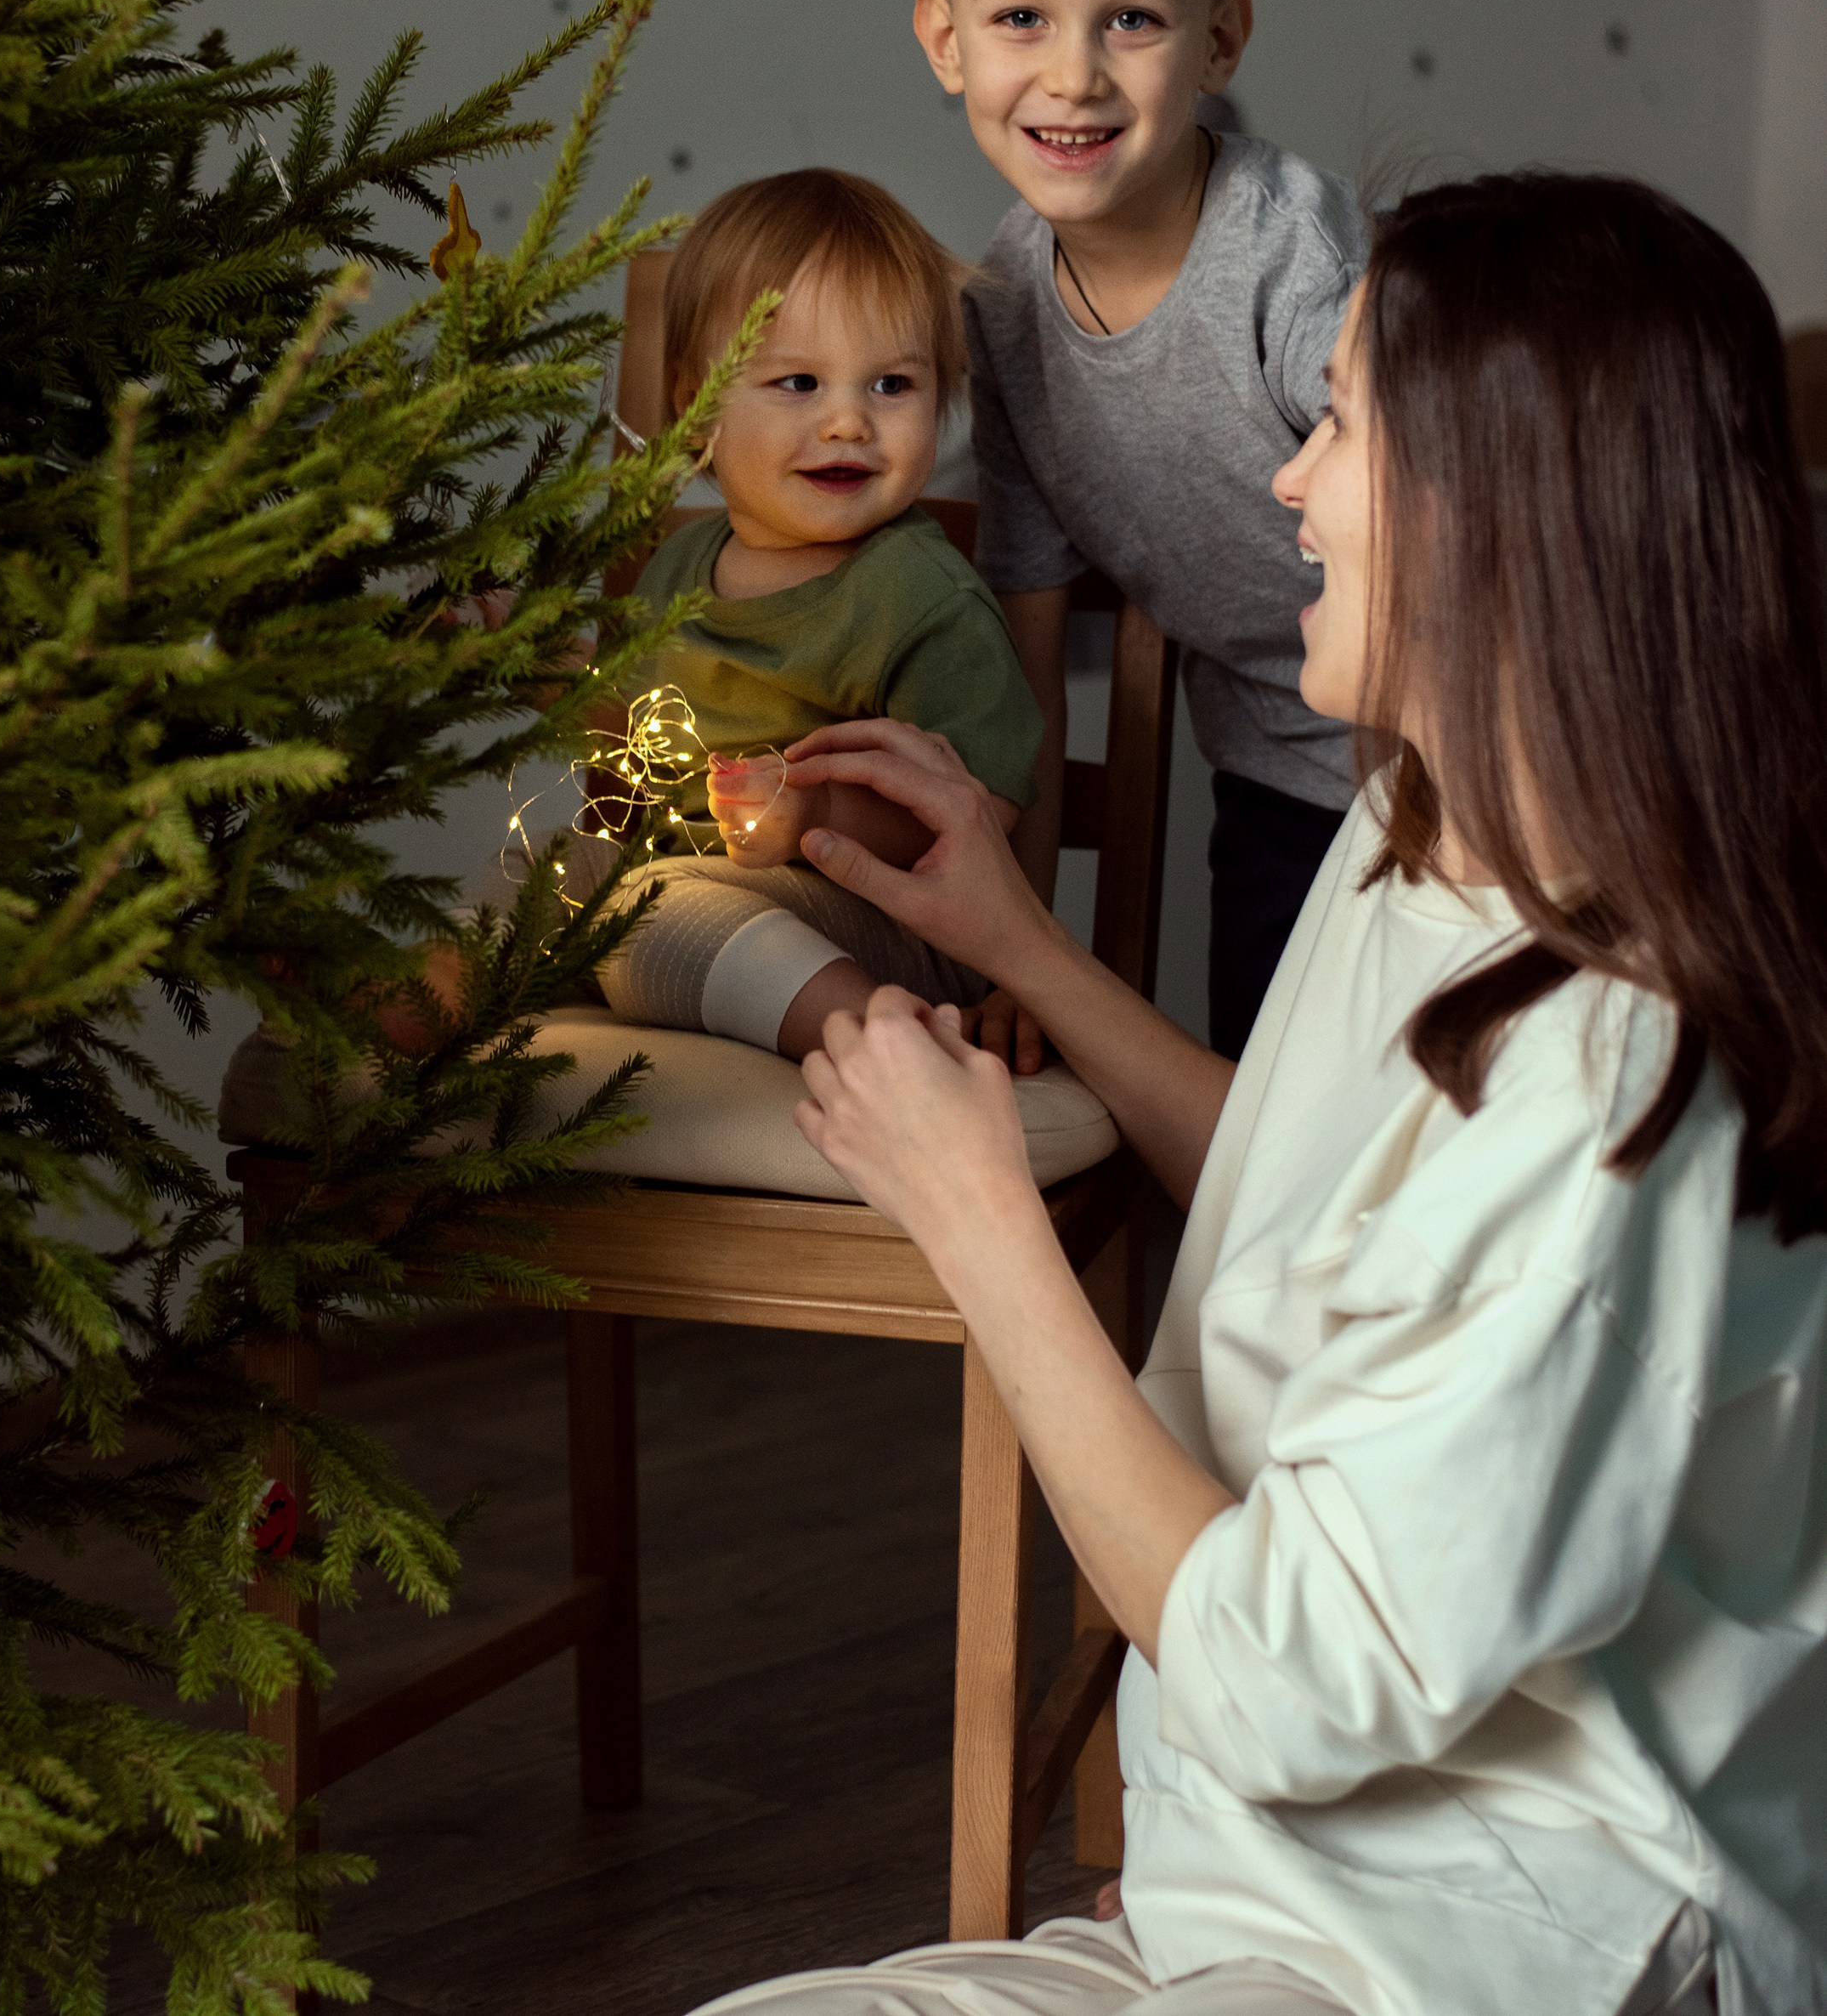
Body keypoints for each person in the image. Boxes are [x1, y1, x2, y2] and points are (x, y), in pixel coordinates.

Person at [698, 173, 1827, 2016]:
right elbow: (1331, 1217)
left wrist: (982, 1229)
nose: (1287, 482)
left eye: (1339, 423)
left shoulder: (1620, 1076)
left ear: (1501, 512)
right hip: (1261, 1897)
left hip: (1509, 1940)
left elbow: (1286, 1678)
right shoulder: (1424, 822)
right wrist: (1034, 950)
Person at [914, 0, 1367, 1065]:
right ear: (946, 40)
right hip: (1278, 781)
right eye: (1020, 20)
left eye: (1133, 21)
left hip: (1460, 785)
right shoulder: (1006, 310)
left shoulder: (1295, 265)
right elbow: (1028, 675)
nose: (1074, 78)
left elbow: (1456, 568)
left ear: (1220, 39)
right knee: (1258, 1165)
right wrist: (1025, 955)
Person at [594, 167, 1044, 1062]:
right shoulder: (677, 567)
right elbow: (617, 749)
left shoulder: (917, 595)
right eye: (798, 383)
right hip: (691, 889)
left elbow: (981, 813)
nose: (847, 423)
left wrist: (815, 810)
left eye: (891, 386)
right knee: (538, 888)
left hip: (885, 925)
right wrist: (528, 671)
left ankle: (887, 1040)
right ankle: (404, 1017)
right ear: (696, 404)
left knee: (646, 916)